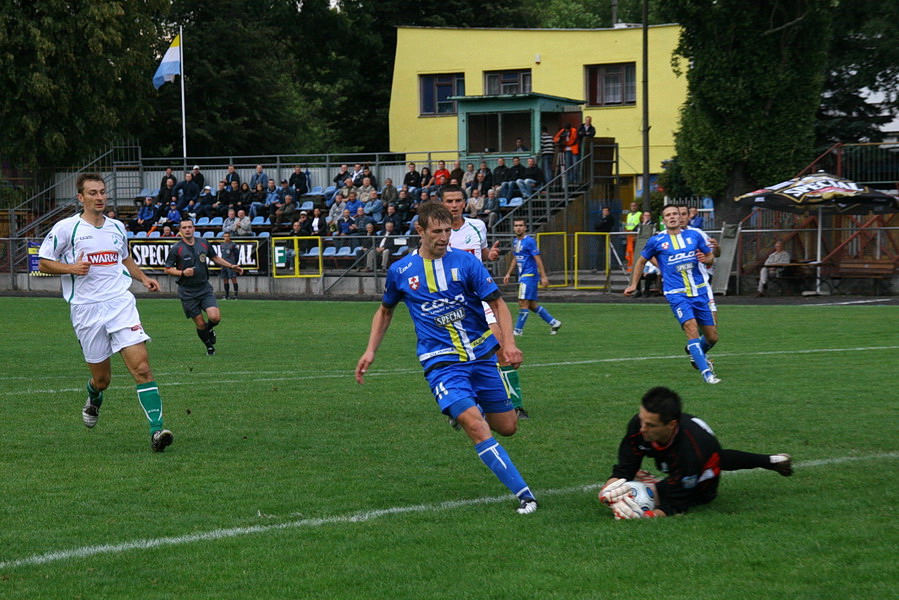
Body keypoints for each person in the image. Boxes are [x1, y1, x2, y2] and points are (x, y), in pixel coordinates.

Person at [354, 201, 538, 515]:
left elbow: (498, 303)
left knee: (507, 427)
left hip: (480, 355)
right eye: (436, 231)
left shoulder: (466, 264)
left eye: (448, 230)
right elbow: (385, 311)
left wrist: (507, 343)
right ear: (420, 230)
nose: (444, 237)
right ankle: (526, 496)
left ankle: (465, 406)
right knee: (476, 426)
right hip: (440, 361)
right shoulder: (401, 271)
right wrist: (371, 350)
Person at [37, 173, 174, 452]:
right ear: (81, 197)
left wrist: (143, 278)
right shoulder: (67, 228)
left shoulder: (117, 227)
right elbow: (43, 262)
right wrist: (71, 269)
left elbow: (124, 257)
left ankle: (156, 431)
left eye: (102, 192)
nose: (99, 197)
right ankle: (94, 397)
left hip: (120, 303)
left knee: (143, 369)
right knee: (103, 379)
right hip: (86, 310)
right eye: (92, 193)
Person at [597, 386, 793, 519]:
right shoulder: (639, 425)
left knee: (672, 490)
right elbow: (624, 469)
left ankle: (770, 462)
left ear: (671, 424)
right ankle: (772, 460)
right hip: (689, 453)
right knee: (632, 479)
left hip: (703, 465)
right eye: (641, 420)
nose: (642, 428)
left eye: (650, 424)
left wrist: (645, 516)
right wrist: (606, 493)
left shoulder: (691, 452)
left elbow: (675, 505)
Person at [443, 186, 529, 418]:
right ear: (442, 204)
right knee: (459, 355)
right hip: (453, 302)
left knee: (500, 346)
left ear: (465, 202)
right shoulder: (439, 232)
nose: (454, 205)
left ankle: (515, 404)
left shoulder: (477, 226)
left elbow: (479, 254)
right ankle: (463, 406)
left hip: (480, 297)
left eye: (458, 200)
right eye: (449, 201)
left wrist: (489, 255)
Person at [624, 205, 720, 384]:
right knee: (691, 328)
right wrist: (633, 284)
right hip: (676, 293)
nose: (673, 217)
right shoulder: (656, 241)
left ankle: (696, 354)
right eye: (668, 215)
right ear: (664, 220)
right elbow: (640, 261)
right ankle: (707, 374)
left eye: (675, 214)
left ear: (680, 217)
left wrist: (707, 259)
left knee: (712, 337)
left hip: (699, 291)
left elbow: (711, 257)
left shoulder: (694, 236)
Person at [164, 218, 243, 355]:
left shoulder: (203, 243)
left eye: (190, 227)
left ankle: (210, 329)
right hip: (187, 291)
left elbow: (215, 257)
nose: (187, 229)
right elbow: (167, 269)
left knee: (215, 317)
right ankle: (209, 347)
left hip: (204, 288)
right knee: (200, 324)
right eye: (184, 228)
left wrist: (231, 266)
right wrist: (182, 273)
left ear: (194, 228)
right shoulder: (177, 248)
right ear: (180, 231)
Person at [503, 218, 562, 336]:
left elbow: (537, 259)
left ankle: (518, 330)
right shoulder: (515, 242)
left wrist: (543, 276)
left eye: (520, 225)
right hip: (523, 275)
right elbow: (515, 257)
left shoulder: (529, 241)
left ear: (525, 228)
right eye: (516, 225)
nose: (518, 227)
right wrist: (508, 273)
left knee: (522, 301)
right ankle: (554, 322)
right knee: (531, 305)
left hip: (529, 275)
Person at [219, 232, 241, 300]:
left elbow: (236, 254)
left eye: (227, 236)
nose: (226, 238)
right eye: (225, 236)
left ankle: (236, 295)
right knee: (225, 279)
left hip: (231, 264)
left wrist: (234, 263)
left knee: (233, 278)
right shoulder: (222, 245)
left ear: (230, 237)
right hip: (224, 264)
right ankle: (227, 295)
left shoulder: (233, 245)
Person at [594, 206, 616, 271]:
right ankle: (599, 266)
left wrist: (602, 224)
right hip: (600, 236)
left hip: (607, 236)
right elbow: (596, 226)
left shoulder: (610, 218)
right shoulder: (599, 217)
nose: (605, 212)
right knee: (599, 251)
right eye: (604, 211)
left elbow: (607, 226)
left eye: (606, 211)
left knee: (608, 251)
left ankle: (608, 266)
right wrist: (602, 223)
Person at [624, 201, 641, 268]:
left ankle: (635, 265)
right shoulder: (629, 215)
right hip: (629, 234)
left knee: (634, 250)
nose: (633, 207)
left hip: (635, 234)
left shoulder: (639, 214)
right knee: (629, 250)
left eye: (634, 206)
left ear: (637, 207)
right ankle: (630, 265)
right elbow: (627, 224)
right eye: (632, 206)